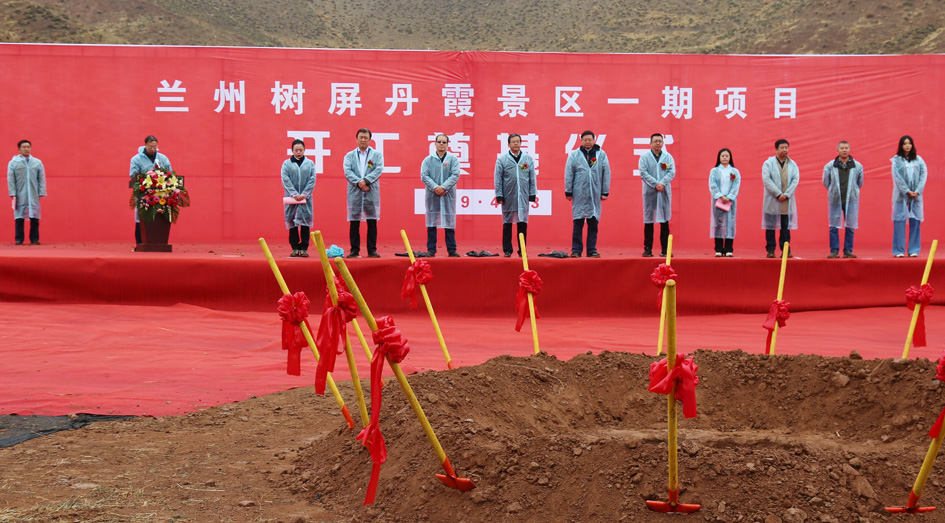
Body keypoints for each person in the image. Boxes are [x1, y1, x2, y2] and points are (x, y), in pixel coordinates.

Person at [565, 130, 610, 257]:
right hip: (579, 193)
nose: (587, 142)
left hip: (595, 193)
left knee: (593, 223)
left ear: (594, 140)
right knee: (578, 223)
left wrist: (605, 191)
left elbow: (606, 173)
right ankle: (576, 250)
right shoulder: (574, 155)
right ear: (581, 141)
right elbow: (569, 173)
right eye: (585, 140)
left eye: (590, 140)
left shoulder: (601, 154)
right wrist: (568, 191)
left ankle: (592, 250)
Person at [494, 133, 537, 257]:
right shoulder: (502, 160)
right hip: (508, 196)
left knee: (522, 223)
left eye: (518, 141)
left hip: (523, 196)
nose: (516, 143)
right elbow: (498, 179)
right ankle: (507, 249)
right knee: (507, 224)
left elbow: (532, 178)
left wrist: (532, 193)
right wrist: (499, 195)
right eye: (513, 141)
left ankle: (522, 250)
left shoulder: (528, 159)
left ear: (521, 143)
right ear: (508, 144)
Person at [343, 128, 383, 258]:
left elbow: (378, 169)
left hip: (370, 191)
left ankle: (372, 250)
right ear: (357, 139)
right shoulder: (349, 156)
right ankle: (354, 250)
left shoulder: (377, 155)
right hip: (355, 192)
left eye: (366, 138)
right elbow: (347, 171)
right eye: (361, 137)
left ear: (370, 140)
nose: (363, 140)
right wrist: (359, 182)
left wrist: (366, 181)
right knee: (354, 222)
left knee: (372, 221)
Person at [420, 134, 461, 257]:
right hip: (432, 195)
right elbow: (424, 175)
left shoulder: (453, 160)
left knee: (449, 221)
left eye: (444, 142)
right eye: (439, 142)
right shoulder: (428, 160)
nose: (441, 144)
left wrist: (444, 187)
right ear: (435, 143)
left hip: (448, 194)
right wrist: (435, 187)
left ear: (448, 144)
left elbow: (455, 175)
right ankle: (431, 249)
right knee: (432, 222)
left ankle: (452, 249)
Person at [822, 141, 864, 259]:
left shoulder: (857, 165)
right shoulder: (830, 166)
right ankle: (834, 250)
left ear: (849, 150)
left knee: (850, 225)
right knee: (833, 226)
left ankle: (848, 250)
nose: (844, 150)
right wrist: (833, 191)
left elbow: (860, 182)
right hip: (835, 199)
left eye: (846, 148)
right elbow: (826, 181)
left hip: (851, 199)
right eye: (842, 148)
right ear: (837, 151)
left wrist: (853, 191)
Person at [129, 135, 172, 246]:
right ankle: (140, 243)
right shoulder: (136, 159)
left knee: (160, 215)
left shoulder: (162, 158)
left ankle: (159, 242)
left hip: (161, 194)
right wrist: (146, 179)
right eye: (150, 147)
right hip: (144, 193)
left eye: (154, 146)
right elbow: (133, 175)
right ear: (145, 145)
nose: (153, 149)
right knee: (141, 216)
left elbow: (170, 173)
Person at [639, 133, 675, 257]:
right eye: (655, 141)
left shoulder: (668, 157)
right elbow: (643, 173)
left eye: (660, 141)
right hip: (650, 192)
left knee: (664, 221)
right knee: (649, 221)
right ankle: (648, 248)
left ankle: (665, 250)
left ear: (663, 143)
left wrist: (662, 183)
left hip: (664, 192)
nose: (658, 143)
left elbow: (671, 172)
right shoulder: (644, 157)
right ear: (650, 143)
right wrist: (655, 184)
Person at [891, 135, 927, 257]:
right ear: (901, 145)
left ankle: (914, 250)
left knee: (915, 221)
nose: (907, 145)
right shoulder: (896, 160)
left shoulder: (919, 160)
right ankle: (899, 250)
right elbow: (897, 178)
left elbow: (923, 175)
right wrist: (906, 190)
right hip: (901, 195)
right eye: (905, 143)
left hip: (916, 195)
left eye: (909, 143)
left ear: (912, 145)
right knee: (899, 221)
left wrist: (917, 190)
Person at [761, 139, 799, 258]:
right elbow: (767, 180)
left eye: (786, 147)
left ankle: (786, 250)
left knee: (785, 227)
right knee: (770, 227)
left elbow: (795, 180)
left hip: (786, 200)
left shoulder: (792, 164)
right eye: (782, 148)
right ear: (776, 149)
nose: (784, 150)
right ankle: (770, 250)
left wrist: (786, 194)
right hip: (773, 199)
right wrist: (778, 194)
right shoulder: (768, 163)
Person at [281, 139, 316, 257]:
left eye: (301, 150)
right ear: (292, 151)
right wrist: (294, 194)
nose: (299, 152)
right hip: (292, 198)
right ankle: (295, 248)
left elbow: (312, 179)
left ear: (304, 150)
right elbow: (285, 179)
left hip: (306, 199)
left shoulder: (310, 163)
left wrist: (304, 194)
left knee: (305, 223)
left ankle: (304, 248)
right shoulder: (287, 164)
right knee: (292, 222)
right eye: (296, 150)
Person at [8, 140, 46, 245]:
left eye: (28, 147)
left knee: (35, 217)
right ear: (19, 149)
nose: (26, 149)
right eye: (24, 147)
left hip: (33, 193)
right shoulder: (13, 163)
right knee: (19, 217)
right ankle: (19, 239)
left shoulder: (37, 162)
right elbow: (11, 179)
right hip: (20, 193)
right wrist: (12, 192)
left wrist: (41, 191)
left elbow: (41, 178)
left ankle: (34, 239)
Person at [708, 148, 740, 257]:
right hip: (718, 200)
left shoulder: (734, 171)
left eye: (727, 156)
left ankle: (728, 249)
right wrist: (720, 196)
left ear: (730, 157)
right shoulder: (714, 171)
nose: (725, 158)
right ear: (719, 158)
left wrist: (729, 197)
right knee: (718, 223)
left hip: (730, 201)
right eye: (723, 156)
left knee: (730, 224)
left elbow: (736, 185)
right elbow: (712, 185)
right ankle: (718, 249)